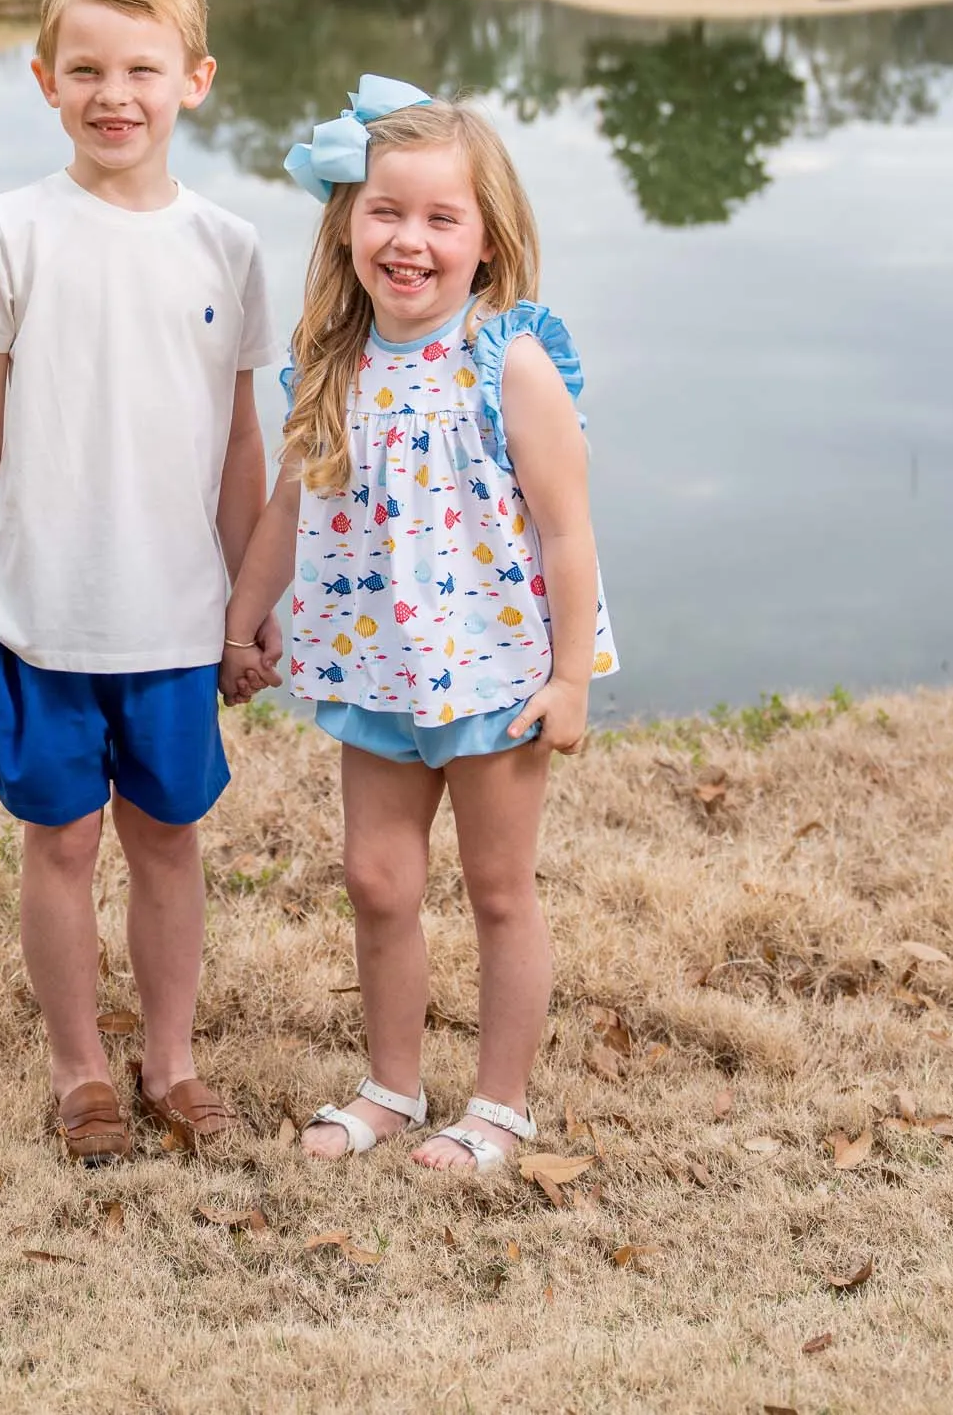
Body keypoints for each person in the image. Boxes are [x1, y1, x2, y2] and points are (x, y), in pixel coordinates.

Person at [220, 75, 617, 1174]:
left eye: (440, 218)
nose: (408, 240)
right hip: (372, 669)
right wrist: (242, 622)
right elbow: (293, 505)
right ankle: (390, 1084)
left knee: (498, 889)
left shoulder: (510, 362)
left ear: (485, 242)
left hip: (494, 673)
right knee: (378, 881)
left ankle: (499, 1104)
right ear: (346, 219)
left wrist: (572, 678)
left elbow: (567, 532)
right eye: (385, 210)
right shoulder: (332, 369)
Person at [0, 0, 278, 1165]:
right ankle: (79, 1066)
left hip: (176, 617)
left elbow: (241, 444)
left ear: (195, 81)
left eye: (141, 68)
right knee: (61, 840)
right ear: (44, 79)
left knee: (167, 838)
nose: (112, 93)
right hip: (41, 613)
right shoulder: (9, 231)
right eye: (85, 69)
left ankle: (169, 1059)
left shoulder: (227, 245)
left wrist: (249, 601)